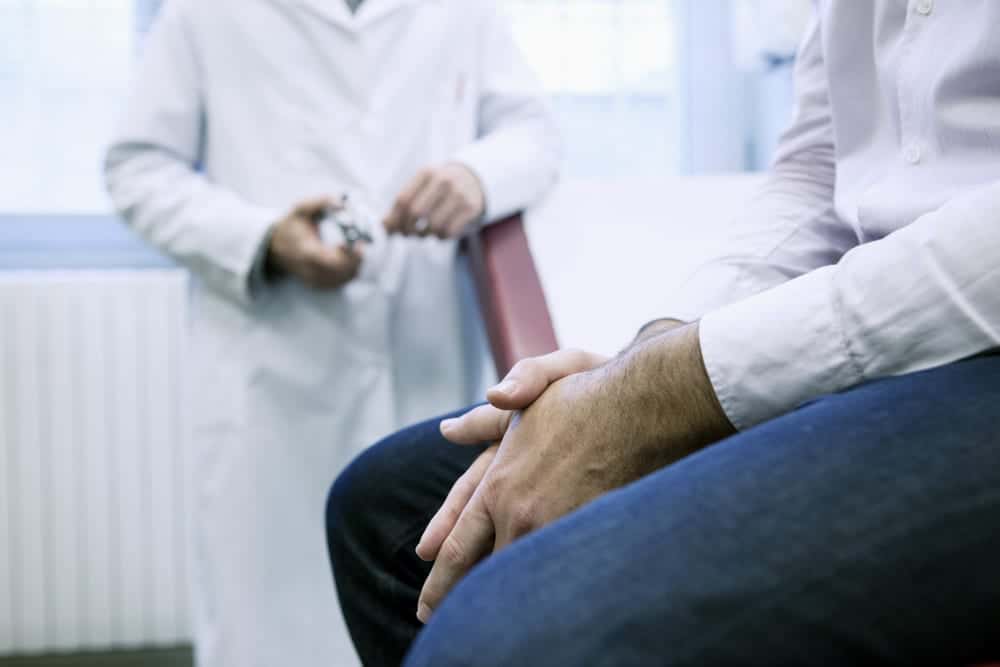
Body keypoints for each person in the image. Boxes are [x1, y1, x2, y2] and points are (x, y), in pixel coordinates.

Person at [326, 3, 1000, 665]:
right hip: (884, 334)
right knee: (386, 512)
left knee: (506, 632)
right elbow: (820, 167)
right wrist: (648, 354)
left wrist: (659, 396)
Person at [104, 1, 560, 665]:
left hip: (421, 355)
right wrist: (262, 237)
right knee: (271, 624)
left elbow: (535, 135)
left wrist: (475, 175)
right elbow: (136, 167)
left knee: (414, 619)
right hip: (272, 375)